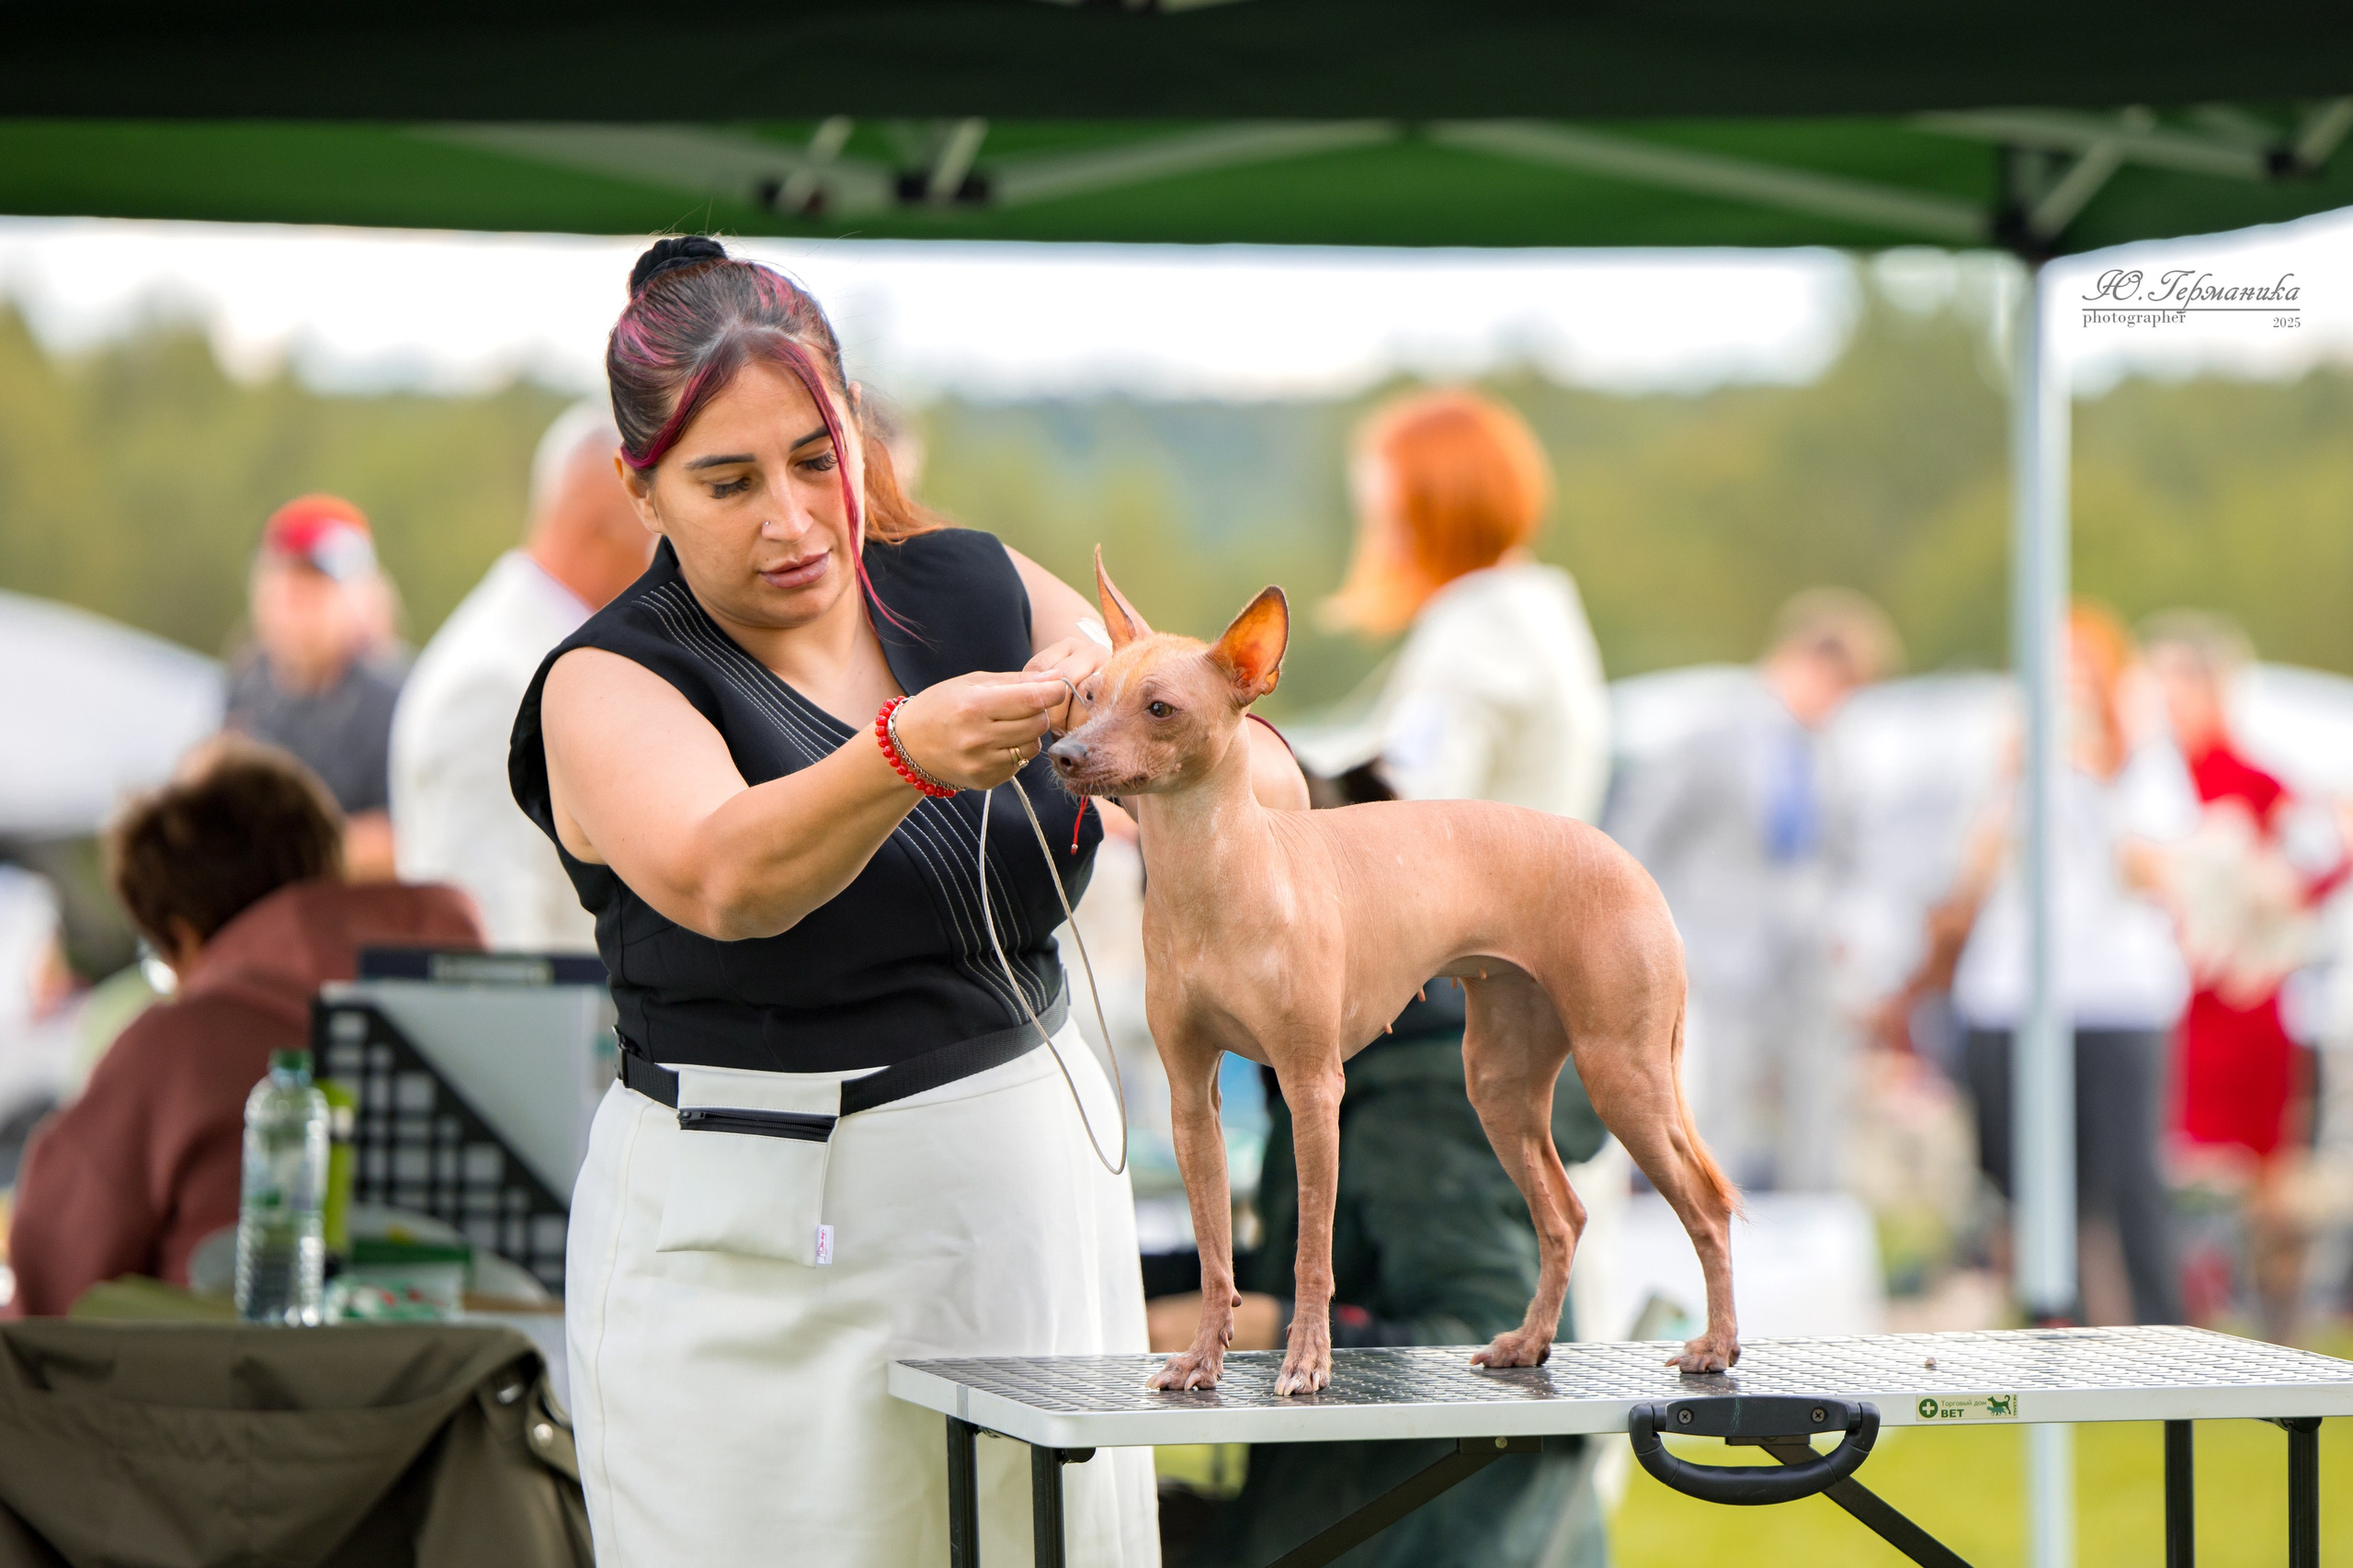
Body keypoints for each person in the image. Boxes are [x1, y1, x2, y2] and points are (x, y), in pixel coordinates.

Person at [511, 237, 1303, 1567]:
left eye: (820, 461)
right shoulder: (605, 679)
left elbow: (1242, 755)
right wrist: (900, 755)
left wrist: (1137, 720)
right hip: (748, 1276)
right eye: (729, 481)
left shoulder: (970, 580)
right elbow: (726, 875)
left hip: (1027, 1224)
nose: (795, 517)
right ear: (638, 490)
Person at [1213, 390, 1611, 1568]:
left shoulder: (1481, 629)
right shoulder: (1529, 617)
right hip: (1489, 1015)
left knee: (1460, 1373)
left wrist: (1228, 783)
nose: (1372, 527)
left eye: (1384, 503)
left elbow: (1407, 807)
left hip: (1443, 1042)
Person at [4, 740, 482, 1317]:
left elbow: (51, 1278)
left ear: (183, 935)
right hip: (451, 1387)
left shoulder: (173, 1047)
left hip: (224, 1393)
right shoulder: (472, 1003)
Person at [1884, 604, 2195, 1325]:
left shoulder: (2141, 757)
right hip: (2012, 989)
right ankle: (2055, 1324)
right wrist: (2013, 782)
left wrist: (2095, 783)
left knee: (2128, 1176)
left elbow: (2158, 868)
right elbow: (1967, 878)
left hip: (2116, 992)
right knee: (2025, 1173)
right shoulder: (2003, 753)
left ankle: (2159, 1329)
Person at [1607, 587, 1902, 1191]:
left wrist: (1850, 930)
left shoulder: (1834, 751)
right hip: (1716, 951)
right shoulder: (1713, 732)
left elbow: (1851, 856)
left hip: (1807, 955)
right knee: (1717, 1103)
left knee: (1818, 1095)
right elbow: (1641, 833)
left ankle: (1810, 1225)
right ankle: (1712, 1228)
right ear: (1806, 661)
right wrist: (1654, 933)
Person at [2144, 610, 2344, 1339]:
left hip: (2245, 998)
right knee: (2175, 1159)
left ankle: (2277, 1316)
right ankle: (2184, 1311)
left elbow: (2329, 848)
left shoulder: (2251, 777)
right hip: (2178, 1000)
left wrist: (2285, 903)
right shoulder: (2150, 780)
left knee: (2266, 1173)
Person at [392, 402, 654, 950]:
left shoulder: (540, 655)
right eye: (659, 521)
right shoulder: (494, 685)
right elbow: (489, 948)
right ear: (603, 521)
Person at [224, 494, 407, 881]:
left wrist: (286, 854)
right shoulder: (247, 689)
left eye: (313, 590)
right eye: (285, 588)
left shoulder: (396, 698)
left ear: (362, 598)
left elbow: (412, 834)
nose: (294, 608)